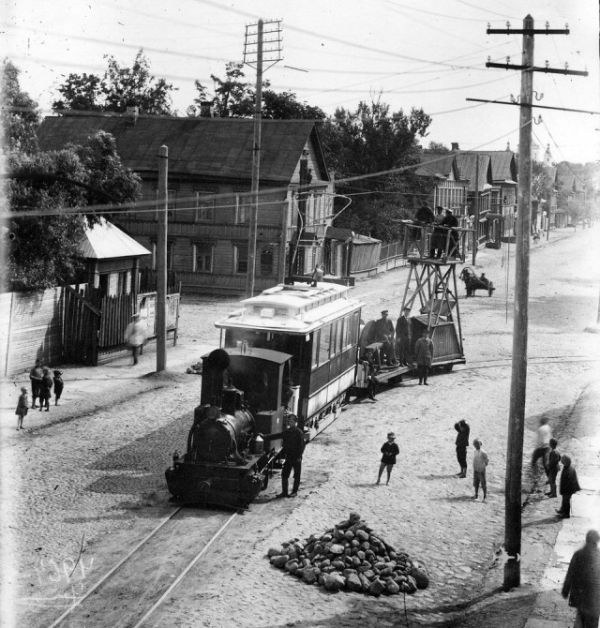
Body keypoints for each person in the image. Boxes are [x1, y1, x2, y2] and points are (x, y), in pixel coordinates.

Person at [561, 530, 600, 628]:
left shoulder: (578, 555)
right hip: (595, 602)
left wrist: (566, 590)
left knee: (580, 621)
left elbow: (570, 574)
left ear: (586, 540)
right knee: (592, 623)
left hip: (581, 598)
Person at [278, 414, 305, 498]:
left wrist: (298, 456)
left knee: (296, 476)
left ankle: (294, 492)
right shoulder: (287, 432)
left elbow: (302, 446)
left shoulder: (299, 432)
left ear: (295, 422)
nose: (289, 423)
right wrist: (265, 437)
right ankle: (284, 492)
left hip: (296, 458)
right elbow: (278, 436)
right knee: (284, 475)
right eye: (288, 421)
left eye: (291, 421)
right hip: (289, 457)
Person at [556, 455, 581, 519]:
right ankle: (562, 510)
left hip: (568, 489)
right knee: (564, 501)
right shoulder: (568, 467)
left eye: (562, 461)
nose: (561, 462)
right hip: (568, 489)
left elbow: (569, 482)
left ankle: (566, 514)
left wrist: (564, 491)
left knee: (566, 502)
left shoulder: (568, 470)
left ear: (565, 462)